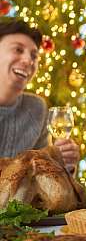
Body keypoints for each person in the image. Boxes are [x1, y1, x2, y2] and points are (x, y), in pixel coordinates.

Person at [0, 19, 79, 171]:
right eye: (18, 50)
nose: (28, 61)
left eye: (34, 56)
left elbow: (42, 177)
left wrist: (63, 165)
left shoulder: (36, 109)